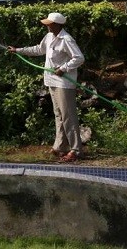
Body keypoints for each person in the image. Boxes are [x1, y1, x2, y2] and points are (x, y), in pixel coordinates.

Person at [8, 12, 85, 163]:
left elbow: (79, 58)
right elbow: (38, 49)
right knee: (59, 115)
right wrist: (18, 50)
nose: (47, 25)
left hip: (64, 84)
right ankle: (59, 146)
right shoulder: (49, 37)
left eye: (49, 23)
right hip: (51, 81)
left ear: (57, 25)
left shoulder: (66, 39)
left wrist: (64, 68)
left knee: (68, 116)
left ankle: (76, 150)